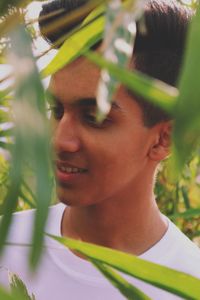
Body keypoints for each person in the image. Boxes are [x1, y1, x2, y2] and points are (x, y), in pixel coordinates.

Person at [0, 0, 200, 299]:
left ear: (164, 140)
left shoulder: (187, 285)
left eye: (94, 117)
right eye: (56, 110)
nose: (58, 141)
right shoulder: (8, 247)